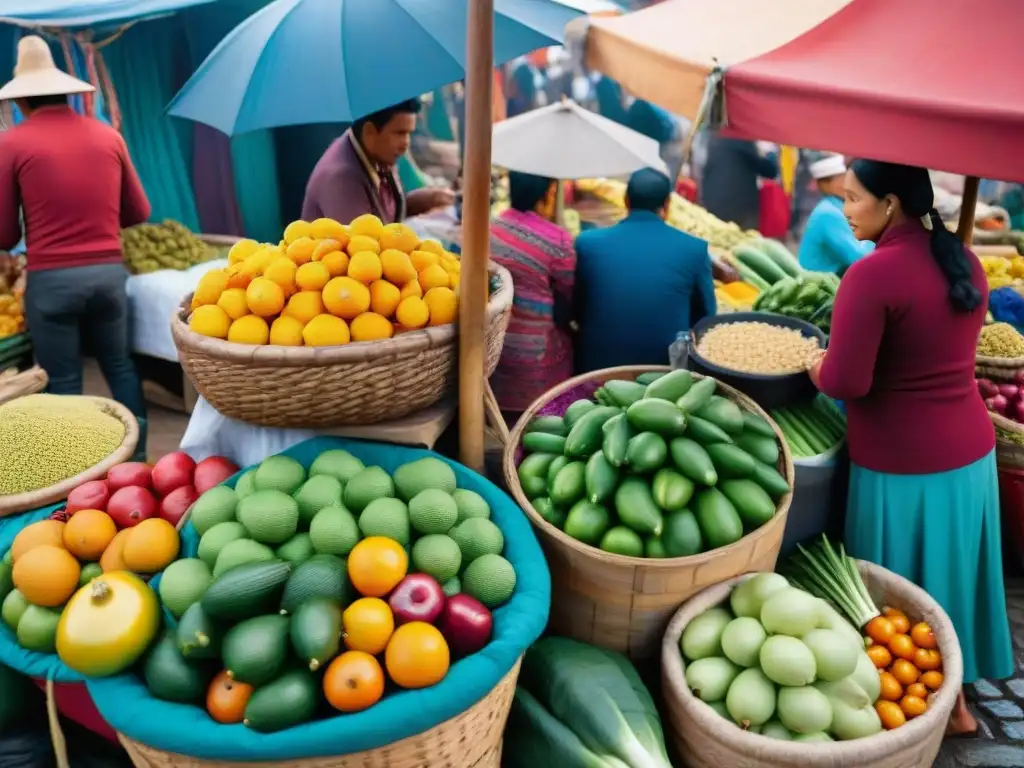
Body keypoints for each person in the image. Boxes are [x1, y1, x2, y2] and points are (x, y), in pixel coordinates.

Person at [808, 159, 1012, 736]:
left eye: (852, 199)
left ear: (891, 203)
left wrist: (814, 364)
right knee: (952, 574)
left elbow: (848, 382)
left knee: (901, 585)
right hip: (969, 453)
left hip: (902, 458)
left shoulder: (871, 276)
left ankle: (935, 708)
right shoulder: (964, 257)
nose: (844, 211)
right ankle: (959, 698)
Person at [0, 36, 150, 457]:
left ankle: (78, 469)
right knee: (120, 366)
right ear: (65, 90)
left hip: (52, 283)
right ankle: (138, 461)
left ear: (21, 102)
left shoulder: (11, 143)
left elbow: (5, 236)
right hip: (108, 276)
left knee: (64, 381)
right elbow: (138, 211)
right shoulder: (107, 137)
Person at [574, 168, 716, 372]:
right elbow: (706, 318)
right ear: (667, 205)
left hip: (596, 369)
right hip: (664, 374)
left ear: (626, 201)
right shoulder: (695, 249)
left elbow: (577, 310)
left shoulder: (587, 243)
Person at [488, 172, 575, 421]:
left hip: (494, 352)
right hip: (535, 359)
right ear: (548, 193)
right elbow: (567, 295)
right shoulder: (557, 239)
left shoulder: (490, 227)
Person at [302, 99, 454, 225]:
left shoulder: (377, 154)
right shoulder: (342, 179)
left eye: (409, 133)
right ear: (370, 132)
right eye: (399, 133)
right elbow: (363, 251)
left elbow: (388, 213)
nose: (406, 143)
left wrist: (433, 198)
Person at [797, 154, 874, 273]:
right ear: (825, 184)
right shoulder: (827, 214)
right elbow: (861, 258)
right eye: (844, 179)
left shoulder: (836, 206)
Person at [700, 134, 779, 230]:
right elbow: (770, 171)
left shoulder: (716, 141)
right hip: (739, 212)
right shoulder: (744, 143)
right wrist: (771, 155)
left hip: (712, 206)